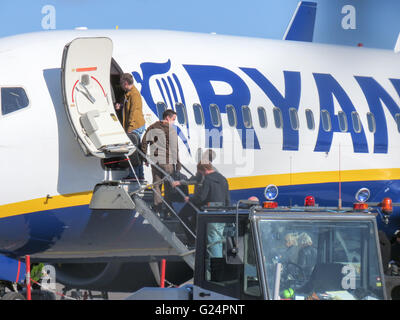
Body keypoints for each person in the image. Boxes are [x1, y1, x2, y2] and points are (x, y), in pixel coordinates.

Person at [178, 161, 230, 245]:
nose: (201, 175)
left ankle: (193, 240)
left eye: (201, 172)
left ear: (205, 169)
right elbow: (227, 197)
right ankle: (218, 258)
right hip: (222, 212)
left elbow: (202, 198)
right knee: (218, 240)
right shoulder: (223, 178)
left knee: (213, 241)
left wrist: (189, 199)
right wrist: (227, 211)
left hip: (210, 212)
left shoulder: (208, 179)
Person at [141, 109, 181, 213]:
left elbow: (144, 142)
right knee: (168, 185)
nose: (174, 122)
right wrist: (178, 165)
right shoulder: (170, 130)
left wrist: (144, 157)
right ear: (167, 118)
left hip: (155, 161)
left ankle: (157, 206)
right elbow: (175, 149)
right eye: (173, 119)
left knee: (157, 184)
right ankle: (168, 207)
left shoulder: (152, 127)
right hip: (167, 161)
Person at [120, 73, 146, 180]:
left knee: (133, 152)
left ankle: (134, 175)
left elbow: (134, 112)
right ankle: (139, 175)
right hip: (136, 125)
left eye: (121, 83)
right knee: (136, 151)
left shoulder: (134, 94)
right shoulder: (130, 94)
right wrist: (121, 106)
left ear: (126, 83)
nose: (120, 86)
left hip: (135, 125)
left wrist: (130, 129)